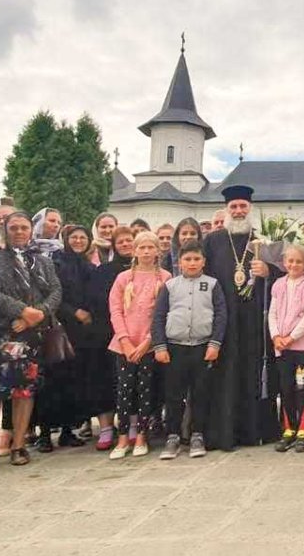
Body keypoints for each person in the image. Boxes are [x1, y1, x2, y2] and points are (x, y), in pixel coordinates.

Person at [0, 212, 61, 469]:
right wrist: (21, 311)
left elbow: (56, 291)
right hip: (2, 333)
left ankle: (18, 445)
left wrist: (36, 315)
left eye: (24, 228)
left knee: (25, 391)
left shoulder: (41, 261)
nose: (19, 232)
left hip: (32, 335)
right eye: (13, 228)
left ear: (30, 230)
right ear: (5, 230)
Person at [200, 186, 279, 450]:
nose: (238, 211)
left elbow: (285, 275)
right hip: (224, 318)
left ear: (250, 209)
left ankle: (255, 431)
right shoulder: (213, 241)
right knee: (225, 374)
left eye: (242, 207)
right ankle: (225, 433)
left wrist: (268, 270)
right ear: (226, 210)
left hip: (255, 319)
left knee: (253, 371)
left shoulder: (264, 239)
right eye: (233, 207)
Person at [152, 241, 228, 459]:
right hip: (175, 348)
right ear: (180, 262)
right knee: (174, 395)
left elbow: (221, 316)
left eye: (196, 259)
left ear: (203, 261)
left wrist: (215, 343)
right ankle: (173, 436)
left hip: (202, 347)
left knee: (200, 393)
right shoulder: (170, 286)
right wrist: (160, 346)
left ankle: (197, 435)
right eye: (188, 259)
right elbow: (158, 316)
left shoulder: (212, 284)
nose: (192, 263)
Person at [37, 226, 101, 451]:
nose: (78, 241)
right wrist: (74, 312)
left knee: (73, 382)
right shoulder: (56, 264)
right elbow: (51, 294)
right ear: (65, 239)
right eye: (74, 237)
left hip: (82, 333)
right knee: (52, 382)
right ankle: (44, 434)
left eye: (83, 237)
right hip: (59, 329)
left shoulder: (90, 267)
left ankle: (67, 431)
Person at [107, 231, 170, 459]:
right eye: (141, 247)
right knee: (125, 391)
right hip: (123, 345)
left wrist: (148, 341)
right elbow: (115, 309)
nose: (145, 252)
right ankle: (123, 437)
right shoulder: (124, 278)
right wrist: (124, 339)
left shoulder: (165, 278)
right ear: (134, 251)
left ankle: (142, 435)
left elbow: (164, 313)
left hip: (149, 345)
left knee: (146, 390)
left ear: (157, 251)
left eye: (150, 247)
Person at [84, 225, 134, 451]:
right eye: (121, 241)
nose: (125, 244)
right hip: (108, 332)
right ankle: (106, 427)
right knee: (106, 380)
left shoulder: (147, 269)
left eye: (129, 240)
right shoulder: (103, 271)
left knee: (134, 381)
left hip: (137, 334)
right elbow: (97, 302)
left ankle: (133, 424)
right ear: (114, 245)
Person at [269, 244, 304, 452]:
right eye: (290, 261)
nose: (294, 265)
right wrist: (276, 336)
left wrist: (291, 337)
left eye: (299, 261)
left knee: (303, 388)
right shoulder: (278, 284)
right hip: (282, 348)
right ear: (284, 263)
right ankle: (288, 429)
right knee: (286, 387)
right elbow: (272, 313)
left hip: (303, 347)